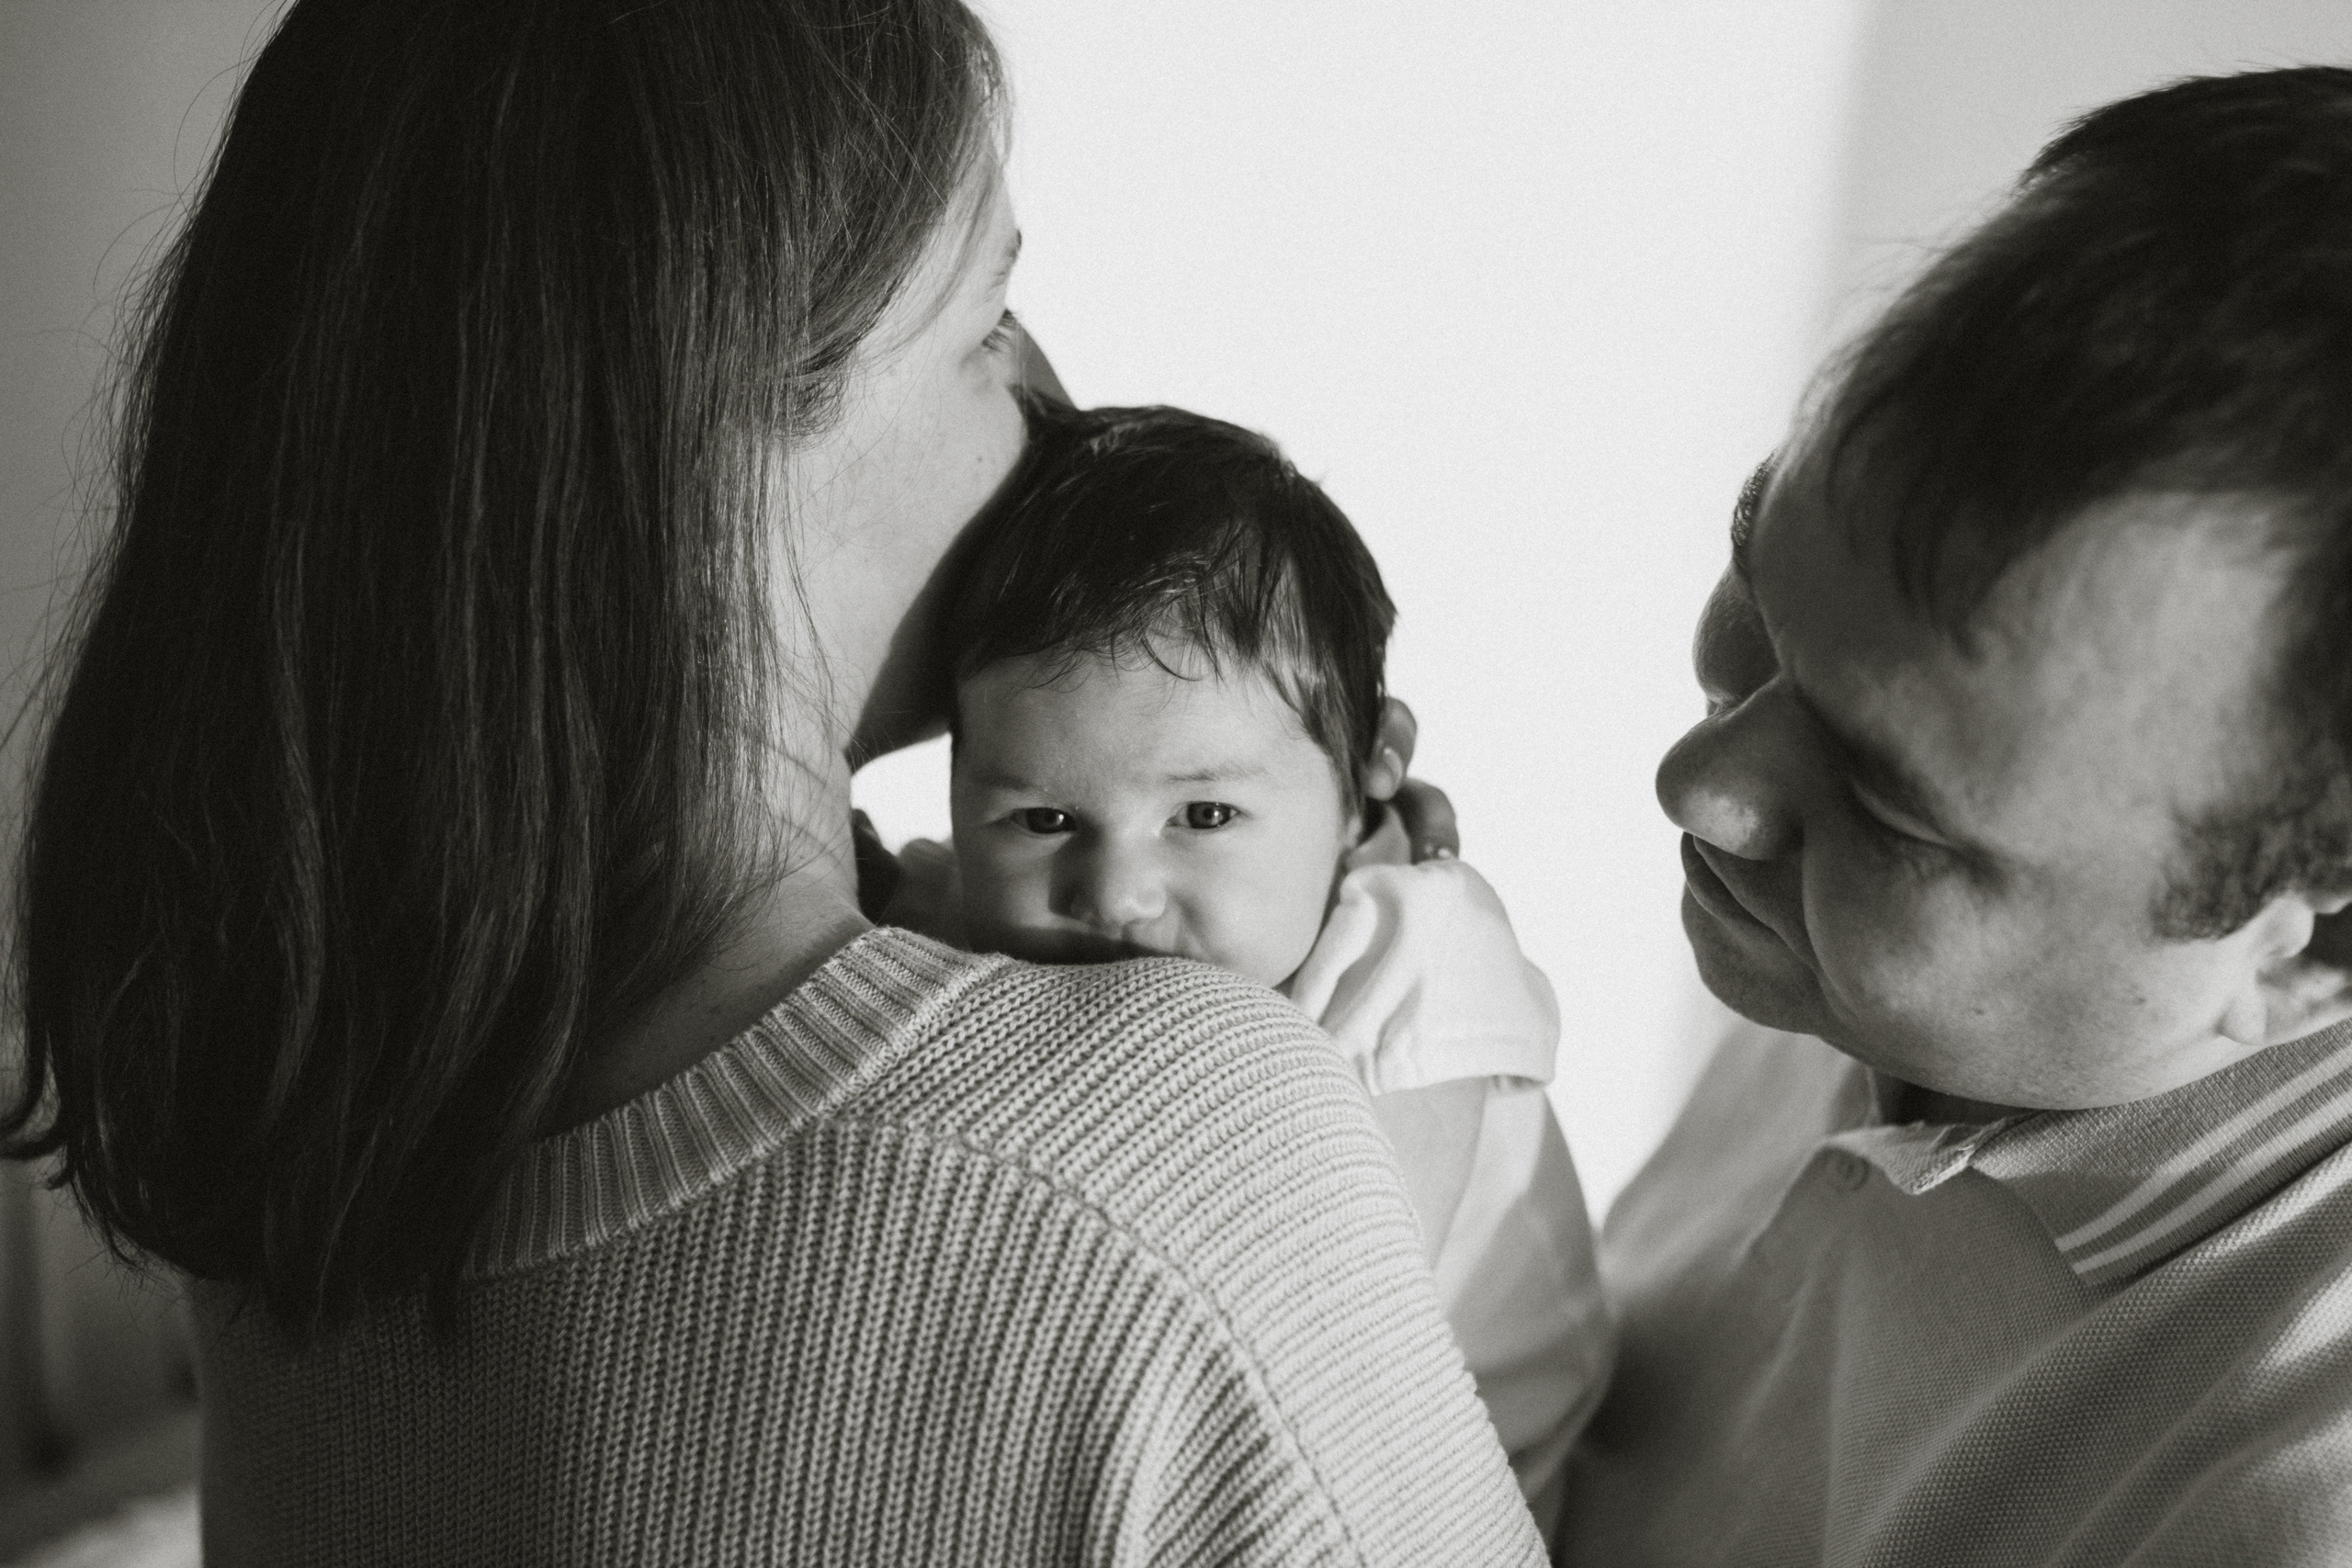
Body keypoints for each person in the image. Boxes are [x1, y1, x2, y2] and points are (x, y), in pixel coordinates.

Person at [0, 1, 1545, 1561]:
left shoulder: (305, 1163)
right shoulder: (1163, 1164)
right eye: (986, 325)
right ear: (719, 434)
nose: (1058, 410)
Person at [1557, 66, 2352, 1563]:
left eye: (1890, 804)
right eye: (1756, 556)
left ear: (2316, 948)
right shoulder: (1951, 979)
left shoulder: (2287, 1501)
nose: (1700, 782)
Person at [880, 400, 1611, 1528]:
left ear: (1373, 767)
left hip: (1448, 1480)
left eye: (1205, 814)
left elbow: (1308, 1315)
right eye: (1040, 819)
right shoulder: (969, 923)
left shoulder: (1404, 963)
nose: (1114, 892)